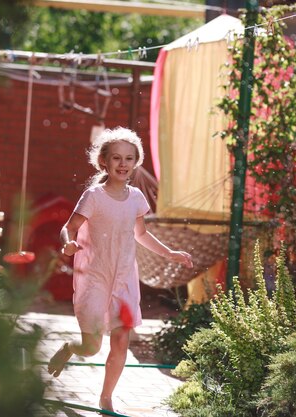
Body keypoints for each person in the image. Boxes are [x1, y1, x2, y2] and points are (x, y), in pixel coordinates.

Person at [47, 126, 193, 413]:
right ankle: (70, 348)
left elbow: (141, 234)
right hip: (96, 276)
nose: (123, 164)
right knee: (92, 348)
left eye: (129, 158)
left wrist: (170, 253)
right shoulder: (94, 196)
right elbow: (70, 227)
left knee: (121, 338)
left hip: (124, 278)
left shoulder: (137, 197)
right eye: (116, 158)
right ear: (104, 161)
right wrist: (68, 244)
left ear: (136, 161)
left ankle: (106, 396)